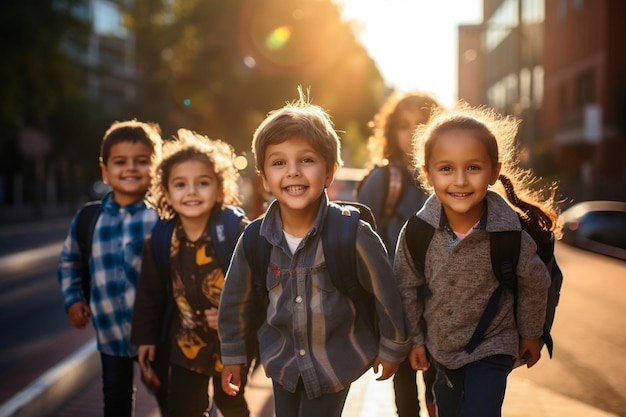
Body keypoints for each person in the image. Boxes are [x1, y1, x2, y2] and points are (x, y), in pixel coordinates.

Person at [217, 88, 410, 417]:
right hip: (282, 361)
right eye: (279, 163)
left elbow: (385, 293)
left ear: (329, 172)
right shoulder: (255, 239)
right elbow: (235, 301)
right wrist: (233, 355)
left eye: (306, 160)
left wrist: (392, 346)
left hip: (335, 361)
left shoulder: (353, 234)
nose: (293, 171)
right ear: (264, 178)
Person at [394, 103, 561, 417]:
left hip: (493, 346)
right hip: (440, 349)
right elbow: (406, 286)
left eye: (473, 167)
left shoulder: (509, 234)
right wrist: (415, 341)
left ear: (494, 172)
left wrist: (530, 333)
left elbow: (536, 284)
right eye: (446, 169)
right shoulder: (418, 232)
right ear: (428, 174)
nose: (460, 180)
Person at [131, 129, 250, 417]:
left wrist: (232, 316)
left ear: (220, 188)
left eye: (203, 183)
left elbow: (258, 288)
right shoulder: (160, 240)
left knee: (231, 404)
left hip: (231, 345)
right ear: (167, 194)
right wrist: (145, 338)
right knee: (183, 408)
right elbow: (151, 294)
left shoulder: (236, 232)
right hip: (186, 345)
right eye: (180, 184)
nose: (192, 191)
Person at [57, 120, 163, 417]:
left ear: (156, 168)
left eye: (142, 161)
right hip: (111, 334)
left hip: (158, 335)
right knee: (115, 401)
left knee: (174, 399)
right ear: (105, 170)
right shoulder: (89, 217)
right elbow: (70, 260)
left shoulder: (163, 218)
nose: (131, 168)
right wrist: (73, 299)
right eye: (120, 162)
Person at [357, 90, 441, 417]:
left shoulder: (448, 176)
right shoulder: (384, 179)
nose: (414, 132)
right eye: (404, 125)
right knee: (406, 395)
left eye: (423, 123)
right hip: (399, 304)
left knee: (440, 388)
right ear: (391, 133)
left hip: (442, 304)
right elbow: (359, 242)